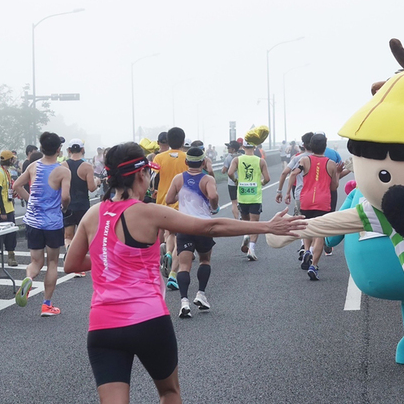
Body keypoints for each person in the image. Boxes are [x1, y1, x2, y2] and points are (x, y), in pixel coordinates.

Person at [62, 142, 305, 403]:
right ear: (140, 175)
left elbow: (72, 264)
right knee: (168, 392)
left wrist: (109, 256)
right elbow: (211, 226)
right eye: (149, 175)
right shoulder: (148, 212)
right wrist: (268, 225)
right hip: (148, 320)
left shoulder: (92, 214)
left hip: (103, 326)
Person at [12, 132, 71, 316]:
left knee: (35, 262)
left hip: (33, 221)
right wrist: (63, 207)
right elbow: (66, 197)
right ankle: (46, 305)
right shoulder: (62, 170)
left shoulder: (32, 166)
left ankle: (29, 278)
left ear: (41, 148)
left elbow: (16, 186)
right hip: (52, 223)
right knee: (52, 262)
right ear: (59, 149)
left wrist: (31, 201)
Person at [165, 147, 219, 318]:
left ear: (186, 162)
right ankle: (201, 294)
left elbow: (168, 199)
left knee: (184, 266)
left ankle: (184, 302)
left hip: (185, 226)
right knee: (205, 260)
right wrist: (214, 206)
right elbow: (213, 195)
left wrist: (182, 197)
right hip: (203, 226)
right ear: (203, 162)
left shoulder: (178, 179)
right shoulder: (207, 179)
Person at [286, 133, 339, 280]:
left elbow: (292, 174)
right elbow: (334, 187)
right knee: (319, 234)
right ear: (325, 146)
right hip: (323, 202)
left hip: (306, 200)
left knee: (306, 227)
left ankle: (307, 250)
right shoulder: (331, 164)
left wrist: (287, 193)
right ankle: (314, 266)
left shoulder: (304, 160)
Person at [153, 127, 188, 290]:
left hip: (162, 202)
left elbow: (153, 178)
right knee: (180, 238)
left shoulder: (158, 158)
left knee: (169, 233)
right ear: (182, 141)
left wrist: (154, 191)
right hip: (183, 203)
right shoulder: (186, 158)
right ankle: (173, 274)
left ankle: (167, 252)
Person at [62, 139, 100, 276]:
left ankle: (70, 255)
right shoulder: (87, 166)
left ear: (69, 150)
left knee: (68, 235)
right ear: (83, 150)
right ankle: (82, 262)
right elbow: (91, 188)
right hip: (83, 205)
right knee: (86, 236)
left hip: (68, 205)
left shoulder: (62, 166)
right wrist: (97, 181)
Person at [228, 139, 270, 261]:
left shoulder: (237, 160)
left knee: (245, 221)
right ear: (255, 147)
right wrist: (260, 183)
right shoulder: (260, 161)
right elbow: (267, 178)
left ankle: (246, 235)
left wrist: (236, 181)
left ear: (243, 147)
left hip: (242, 195)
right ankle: (251, 249)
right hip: (255, 196)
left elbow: (230, 172)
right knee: (255, 224)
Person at [275, 132, 314, 260]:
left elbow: (285, 173)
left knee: (301, 221)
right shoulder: (323, 158)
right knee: (317, 222)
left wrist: (282, 191)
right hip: (318, 195)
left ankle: (304, 246)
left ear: (303, 145)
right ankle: (312, 250)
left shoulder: (298, 158)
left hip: (300, 194)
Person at [221, 140, 241, 220]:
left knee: (234, 202)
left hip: (232, 183)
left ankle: (237, 219)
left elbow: (223, 171)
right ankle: (243, 216)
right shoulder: (242, 156)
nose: (227, 148)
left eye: (229, 147)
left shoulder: (228, 158)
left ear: (233, 149)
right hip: (242, 182)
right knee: (242, 201)